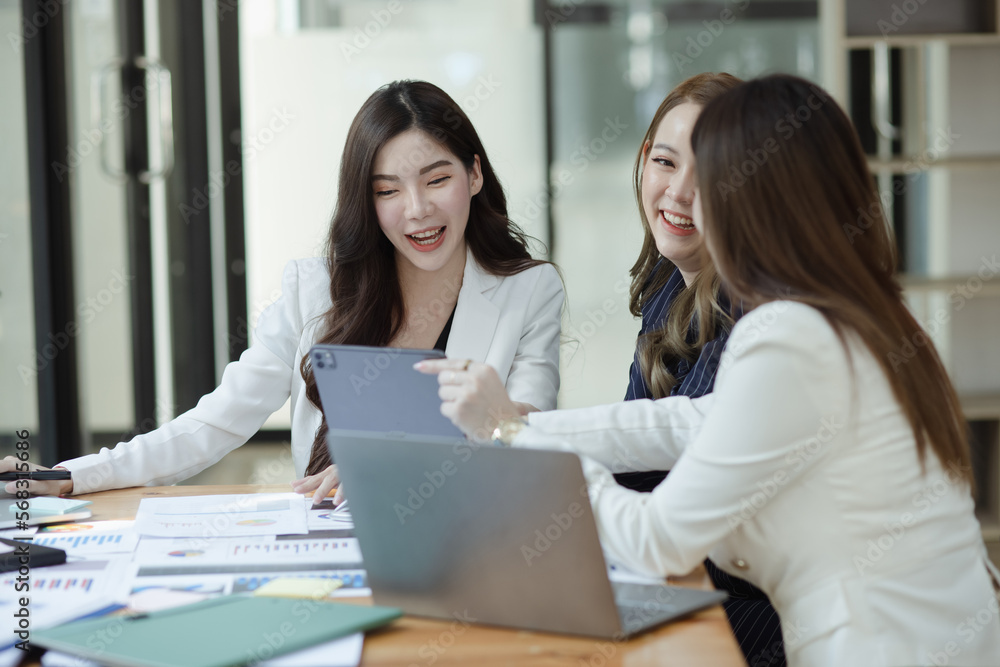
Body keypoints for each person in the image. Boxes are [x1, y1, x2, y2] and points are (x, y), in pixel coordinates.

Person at [500, 74, 1000, 666]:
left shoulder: (788, 333)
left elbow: (658, 537)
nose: (688, 197)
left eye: (711, 181)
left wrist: (548, 465)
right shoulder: (852, 312)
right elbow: (688, 422)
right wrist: (516, 431)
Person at [1, 80, 563, 504]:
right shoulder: (314, 288)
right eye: (388, 190)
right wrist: (72, 476)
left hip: (463, 538)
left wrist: (395, 468)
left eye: (437, 179)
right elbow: (217, 421)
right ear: (365, 202)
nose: (416, 210)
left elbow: (526, 432)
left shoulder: (529, 290)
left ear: (475, 174)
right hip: (323, 549)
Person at [419, 72, 786, 666]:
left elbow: (669, 456)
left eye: (711, 174)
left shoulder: (754, 311)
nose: (679, 191)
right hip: (676, 576)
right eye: (666, 162)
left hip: (744, 606)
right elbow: (637, 464)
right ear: (643, 161)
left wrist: (511, 435)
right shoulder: (670, 287)